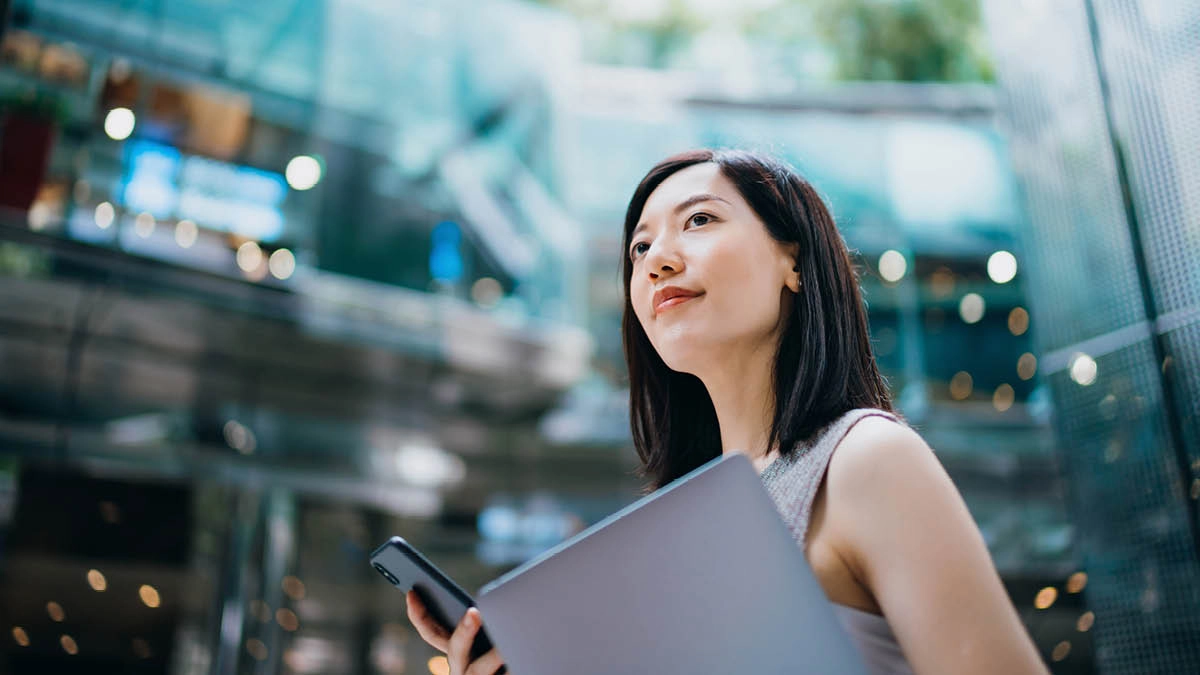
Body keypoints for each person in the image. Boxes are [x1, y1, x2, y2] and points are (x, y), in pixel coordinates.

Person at [407, 149, 1050, 675]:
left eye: (699, 221)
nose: (656, 260)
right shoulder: (675, 534)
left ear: (792, 261)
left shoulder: (865, 459)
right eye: (638, 249)